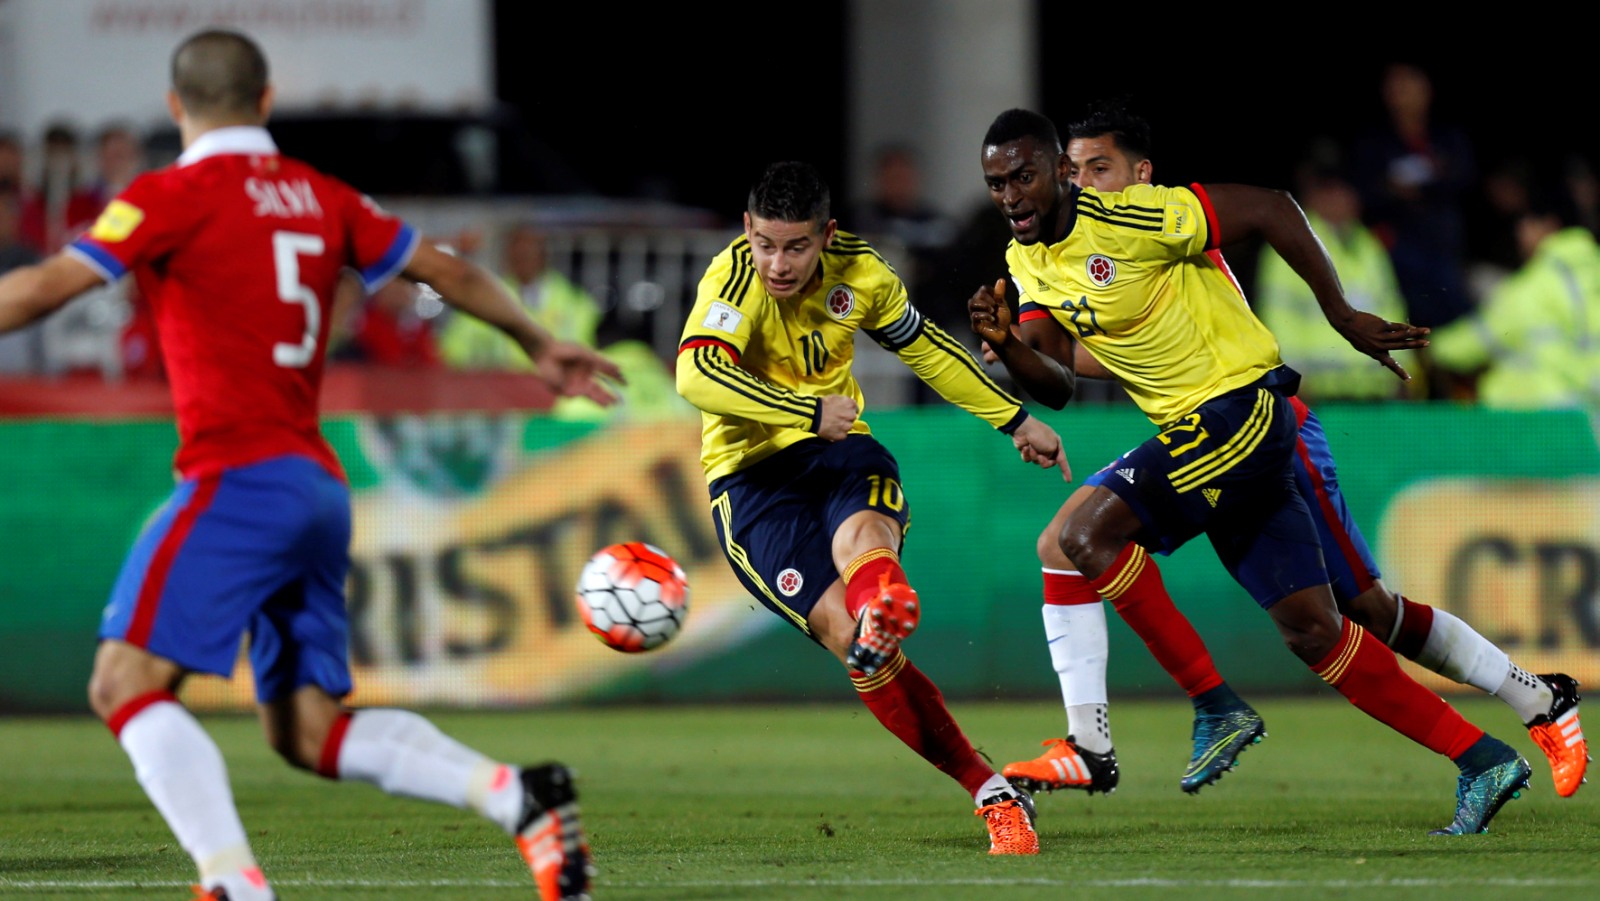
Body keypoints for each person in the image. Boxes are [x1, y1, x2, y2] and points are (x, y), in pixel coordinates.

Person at [0, 30, 615, 901]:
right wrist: (540, 342)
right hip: (315, 487)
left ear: (177, 108)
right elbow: (442, 268)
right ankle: (520, 797)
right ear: (267, 98)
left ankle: (233, 883)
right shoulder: (324, 197)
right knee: (306, 727)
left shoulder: (170, 194)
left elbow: (45, 286)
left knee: (122, 681)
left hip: (237, 477)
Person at [995, 106, 1588, 804]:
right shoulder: (1056, 252)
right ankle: (1512, 724)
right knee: (1324, 624)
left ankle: (1181, 714)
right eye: (1076, 167)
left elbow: (1270, 212)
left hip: (1256, 419)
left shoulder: (1153, 219)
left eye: (1099, 166)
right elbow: (1072, 360)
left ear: (1141, 173)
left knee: (1360, 604)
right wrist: (1010, 345)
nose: (1084, 178)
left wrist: (1340, 315)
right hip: (1200, 435)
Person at [675, 161, 1067, 855]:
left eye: (796, 246)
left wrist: (1013, 419)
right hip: (751, 483)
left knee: (863, 537)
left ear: (827, 234)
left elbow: (928, 352)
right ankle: (992, 789)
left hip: (839, 453)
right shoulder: (731, 280)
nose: (778, 263)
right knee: (861, 656)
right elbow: (696, 372)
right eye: (766, 243)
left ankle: (882, 602)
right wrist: (802, 409)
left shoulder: (862, 273)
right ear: (747, 230)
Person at [1431, 177, 1600, 409]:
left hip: (1533, 420)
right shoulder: (1593, 275)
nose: (1520, 233)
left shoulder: (1533, 285)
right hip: (1589, 422)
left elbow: (1475, 341)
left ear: (1549, 225)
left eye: (1527, 223)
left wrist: (1427, 347)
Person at [439, 221, 602, 370]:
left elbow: (582, 353)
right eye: (517, 252)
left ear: (543, 255)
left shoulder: (575, 303)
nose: (522, 257)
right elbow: (454, 350)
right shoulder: (488, 296)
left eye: (528, 251)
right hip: (502, 391)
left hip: (555, 392)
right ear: (507, 256)